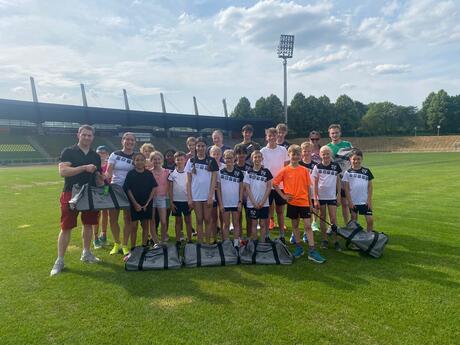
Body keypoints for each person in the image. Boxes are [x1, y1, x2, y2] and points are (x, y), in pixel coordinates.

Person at [50, 125, 102, 276]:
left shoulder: (95, 156)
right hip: (71, 193)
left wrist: (102, 179)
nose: (86, 137)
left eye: (89, 135)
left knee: (88, 225)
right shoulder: (68, 151)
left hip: (90, 194)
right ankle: (60, 260)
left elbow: (97, 177)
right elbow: (63, 171)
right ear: (78, 135)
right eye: (84, 135)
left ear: (93, 137)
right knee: (66, 227)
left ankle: (86, 253)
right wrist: (83, 167)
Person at [273, 145, 326, 263]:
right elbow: (275, 183)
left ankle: (312, 251)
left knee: (307, 225)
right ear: (289, 155)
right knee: (295, 226)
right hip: (292, 203)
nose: (295, 156)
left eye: (297, 154)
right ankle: (299, 248)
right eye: (293, 154)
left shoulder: (304, 170)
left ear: (300, 156)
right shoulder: (285, 170)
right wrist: (283, 196)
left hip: (304, 203)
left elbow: (308, 188)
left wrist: (310, 203)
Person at [106, 132, 136, 256]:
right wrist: (104, 187)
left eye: (131, 140)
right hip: (114, 189)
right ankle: (116, 243)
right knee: (112, 219)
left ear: (135, 142)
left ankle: (124, 244)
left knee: (127, 219)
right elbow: (108, 173)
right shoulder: (115, 155)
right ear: (122, 141)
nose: (129, 142)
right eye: (126, 139)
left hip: (130, 190)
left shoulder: (136, 156)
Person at [185, 137, 219, 244]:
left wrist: (210, 196)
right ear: (195, 147)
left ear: (206, 147)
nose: (200, 148)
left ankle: (208, 243)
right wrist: (190, 198)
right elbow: (188, 181)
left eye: (202, 146)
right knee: (199, 220)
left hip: (207, 196)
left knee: (208, 220)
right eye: (198, 146)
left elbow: (214, 180)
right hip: (196, 196)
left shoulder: (211, 160)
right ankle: (200, 244)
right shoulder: (191, 161)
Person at [124, 152, 158, 253]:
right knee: (134, 226)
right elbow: (128, 189)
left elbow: (154, 187)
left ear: (145, 161)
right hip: (134, 204)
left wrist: (147, 203)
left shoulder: (148, 173)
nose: (139, 162)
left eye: (142, 160)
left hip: (146, 204)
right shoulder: (131, 174)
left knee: (145, 225)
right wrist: (135, 204)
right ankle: (133, 248)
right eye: (137, 160)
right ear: (134, 162)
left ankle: (144, 246)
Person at [260, 127, 289, 242]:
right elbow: (262, 170)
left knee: (280, 212)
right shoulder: (262, 151)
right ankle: (267, 235)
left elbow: (286, 168)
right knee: (267, 212)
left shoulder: (283, 150)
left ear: (277, 136)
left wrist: (281, 183)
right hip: (267, 187)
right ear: (266, 137)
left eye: (274, 135)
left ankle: (282, 235)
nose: (271, 137)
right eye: (269, 135)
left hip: (280, 186)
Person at [311, 146, 342, 251]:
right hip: (321, 197)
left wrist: (338, 196)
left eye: (327, 153)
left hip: (332, 196)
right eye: (323, 154)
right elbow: (314, 184)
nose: (325, 156)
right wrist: (315, 199)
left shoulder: (335, 166)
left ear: (330, 155)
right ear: (320, 155)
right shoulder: (317, 167)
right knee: (323, 217)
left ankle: (336, 240)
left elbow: (338, 181)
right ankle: (325, 240)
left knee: (333, 218)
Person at [243, 150, 272, 242]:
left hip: (264, 203)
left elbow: (269, 187)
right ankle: (255, 242)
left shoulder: (266, 172)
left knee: (263, 224)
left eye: (259, 157)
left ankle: (262, 242)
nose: (257, 159)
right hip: (252, 203)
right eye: (255, 157)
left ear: (262, 159)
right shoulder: (248, 172)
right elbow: (247, 188)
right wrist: (254, 202)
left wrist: (263, 201)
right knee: (254, 224)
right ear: (252, 159)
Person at [342, 149, 374, 232]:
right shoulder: (348, 173)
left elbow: (370, 186)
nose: (356, 161)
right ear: (350, 160)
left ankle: (369, 237)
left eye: (358, 159)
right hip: (354, 202)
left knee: (370, 220)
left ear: (362, 159)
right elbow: (346, 189)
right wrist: (350, 202)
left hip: (364, 202)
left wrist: (369, 200)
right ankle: (355, 240)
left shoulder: (366, 171)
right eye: (354, 159)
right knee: (354, 222)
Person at [217, 150, 244, 247]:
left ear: (234, 159)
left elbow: (241, 188)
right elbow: (218, 189)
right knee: (226, 224)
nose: (229, 160)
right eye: (227, 158)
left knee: (236, 223)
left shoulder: (239, 173)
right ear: (224, 159)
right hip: (225, 203)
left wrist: (240, 202)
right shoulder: (220, 172)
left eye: (231, 158)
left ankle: (236, 243)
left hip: (236, 203)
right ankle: (227, 243)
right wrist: (221, 204)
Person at [327, 124, 352, 225]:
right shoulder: (327, 147)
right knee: (332, 204)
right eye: (332, 133)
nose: (335, 135)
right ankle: (332, 225)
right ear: (329, 134)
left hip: (345, 179)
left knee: (345, 204)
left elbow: (353, 159)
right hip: (333, 180)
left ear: (340, 133)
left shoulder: (347, 145)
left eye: (336, 132)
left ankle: (347, 225)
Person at [168, 151, 193, 244]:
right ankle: (178, 240)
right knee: (178, 222)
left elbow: (191, 187)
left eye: (182, 159)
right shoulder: (172, 174)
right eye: (178, 159)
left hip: (187, 201)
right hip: (176, 201)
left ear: (185, 160)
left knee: (188, 221)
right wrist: (171, 202)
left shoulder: (188, 173)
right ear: (175, 161)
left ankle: (189, 239)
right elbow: (170, 189)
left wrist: (191, 200)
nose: (180, 161)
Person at [149, 151, 170, 243]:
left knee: (163, 220)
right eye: (154, 159)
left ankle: (163, 239)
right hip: (151, 198)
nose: (156, 161)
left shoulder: (167, 172)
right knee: (152, 220)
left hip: (162, 198)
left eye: (158, 159)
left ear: (162, 160)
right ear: (151, 160)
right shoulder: (149, 172)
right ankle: (155, 241)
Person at [92, 145, 110, 248]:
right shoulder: (94, 164)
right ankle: (95, 238)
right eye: (99, 152)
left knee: (105, 213)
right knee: (97, 214)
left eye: (103, 152)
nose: (101, 154)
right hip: (96, 190)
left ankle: (103, 235)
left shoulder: (109, 165)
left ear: (107, 154)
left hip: (106, 189)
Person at [234, 144, 251, 239]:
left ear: (246, 155)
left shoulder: (249, 168)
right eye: (239, 154)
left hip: (248, 197)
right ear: (236, 155)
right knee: (238, 219)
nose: (241, 157)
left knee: (249, 219)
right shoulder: (233, 167)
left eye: (243, 154)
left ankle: (248, 238)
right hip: (237, 197)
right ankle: (239, 238)